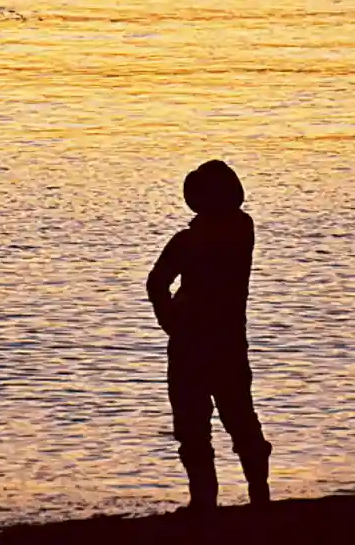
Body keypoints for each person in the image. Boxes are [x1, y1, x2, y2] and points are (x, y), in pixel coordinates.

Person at [146, 160, 272, 509]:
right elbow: (157, 283)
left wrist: (169, 318)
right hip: (221, 342)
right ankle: (252, 495)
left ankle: (209, 500)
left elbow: (157, 282)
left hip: (201, 343)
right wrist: (170, 319)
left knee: (202, 425)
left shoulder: (197, 239)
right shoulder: (240, 229)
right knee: (234, 420)